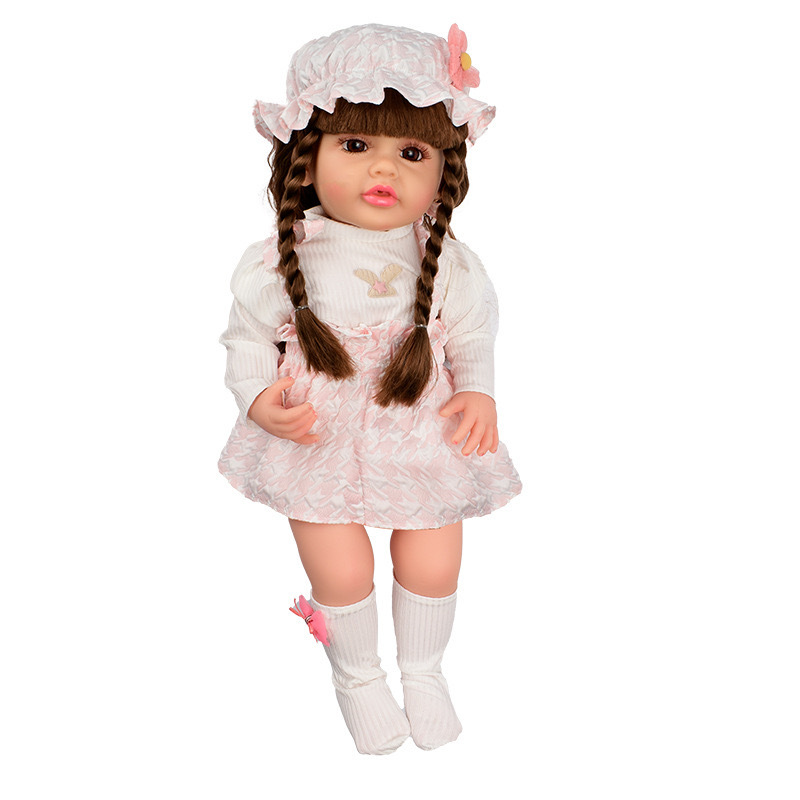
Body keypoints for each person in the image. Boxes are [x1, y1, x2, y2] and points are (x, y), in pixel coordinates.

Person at [218, 23, 522, 754]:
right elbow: (246, 338)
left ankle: (424, 671)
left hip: (420, 427)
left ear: (442, 171)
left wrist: (478, 391)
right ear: (308, 155)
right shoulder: (283, 259)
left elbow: (472, 330)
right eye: (355, 144)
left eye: (411, 152)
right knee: (341, 565)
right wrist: (258, 399)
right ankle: (357, 675)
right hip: (316, 436)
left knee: (433, 555)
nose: (383, 167)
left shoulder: (444, 260)